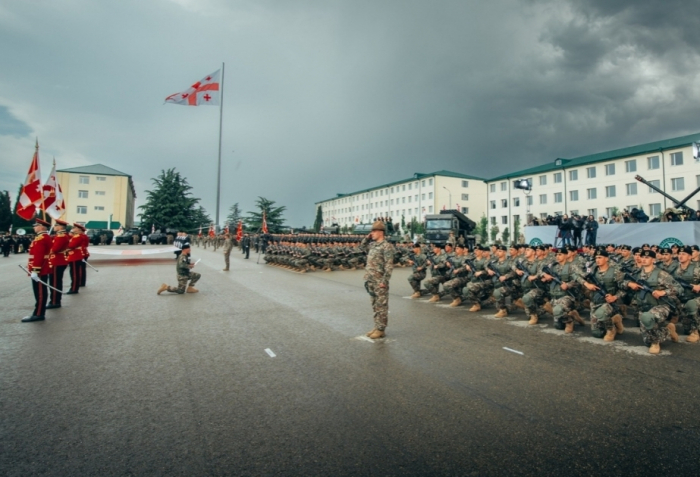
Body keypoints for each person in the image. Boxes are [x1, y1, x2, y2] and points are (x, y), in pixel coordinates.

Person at [360, 220, 394, 339]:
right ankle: (377, 326)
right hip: (371, 280)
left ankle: (381, 329)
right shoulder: (373, 245)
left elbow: (389, 266)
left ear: (381, 232)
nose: (372, 233)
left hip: (380, 281)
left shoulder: (386, 246)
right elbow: (361, 248)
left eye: (373, 231)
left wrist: (384, 281)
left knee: (381, 305)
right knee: (375, 305)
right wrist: (367, 238)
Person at [22, 218, 53, 322]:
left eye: (36, 226)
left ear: (42, 227)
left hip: (40, 269)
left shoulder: (41, 238)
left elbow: (39, 256)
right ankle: (38, 312)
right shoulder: (42, 237)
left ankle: (39, 313)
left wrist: (35, 270)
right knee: (39, 291)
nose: (34, 227)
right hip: (41, 268)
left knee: (40, 292)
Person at [47, 219, 70, 309]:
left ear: (60, 227)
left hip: (57, 261)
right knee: (55, 281)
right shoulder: (59, 235)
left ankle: (55, 301)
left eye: (56, 225)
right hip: (58, 260)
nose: (55, 227)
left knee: (55, 282)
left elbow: (55, 249)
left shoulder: (61, 236)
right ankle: (54, 300)